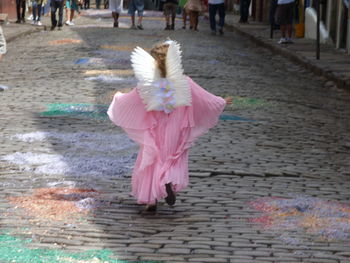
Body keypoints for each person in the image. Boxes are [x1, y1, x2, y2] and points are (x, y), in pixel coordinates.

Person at [107, 40, 232, 211]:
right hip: (176, 128)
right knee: (172, 157)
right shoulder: (185, 82)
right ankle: (167, 182)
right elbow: (204, 98)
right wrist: (221, 102)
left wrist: (117, 97)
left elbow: (131, 100)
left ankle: (151, 198)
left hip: (155, 128)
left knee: (153, 158)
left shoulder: (148, 85)